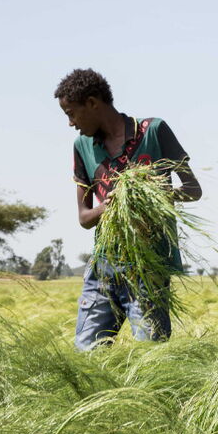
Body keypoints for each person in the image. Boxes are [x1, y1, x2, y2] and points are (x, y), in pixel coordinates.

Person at [55, 68, 201, 350]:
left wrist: (152, 193)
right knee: (87, 355)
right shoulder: (82, 146)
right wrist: (107, 206)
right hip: (103, 268)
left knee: (149, 355)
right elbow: (84, 218)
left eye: (72, 114)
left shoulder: (153, 131)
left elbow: (193, 189)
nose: (71, 123)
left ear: (92, 103)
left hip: (148, 267)